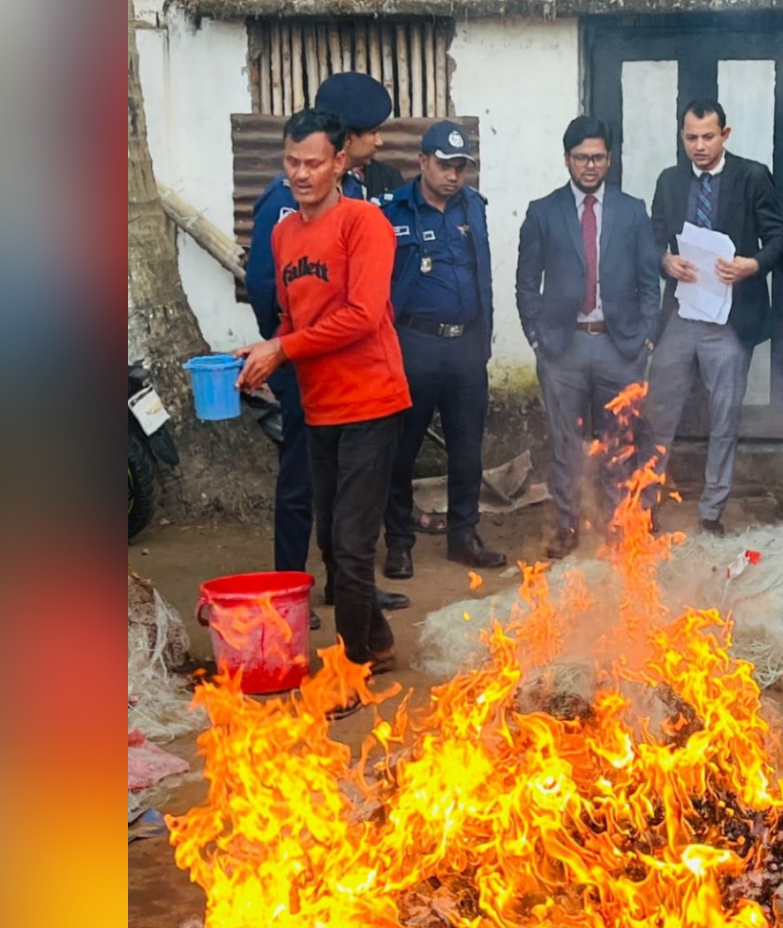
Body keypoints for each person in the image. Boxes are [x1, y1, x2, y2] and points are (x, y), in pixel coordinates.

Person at [235, 108, 411, 680]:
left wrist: (283, 349)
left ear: (339, 162)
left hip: (372, 400)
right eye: (291, 161)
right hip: (319, 404)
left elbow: (362, 315)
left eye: (313, 163)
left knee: (353, 544)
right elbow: (293, 317)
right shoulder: (284, 233)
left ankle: (350, 673)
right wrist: (265, 350)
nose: (300, 173)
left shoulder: (364, 223)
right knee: (332, 542)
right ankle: (377, 643)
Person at [516, 117, 661, 558]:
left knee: (621, 441)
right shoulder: (543, 212)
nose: (590, 165)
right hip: (563, 348)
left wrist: (644, 340)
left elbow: (649, 282)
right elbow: (526, 284)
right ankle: (566, 526)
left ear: (609, 159)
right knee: (566, 444)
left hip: (620, 347)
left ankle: (619, 528)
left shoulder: (632, 211)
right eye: (581, 157)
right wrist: (538, 340)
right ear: (567, 159)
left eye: (597, 157)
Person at [646, 100, 783, 535]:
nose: (700, 146)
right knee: (658, 411)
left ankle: (712, 511)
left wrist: (752, 264)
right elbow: (652, 239)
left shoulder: (752, 176)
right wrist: (665, 261)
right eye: (691, 137)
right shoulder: (670, 181)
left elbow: (778, 237)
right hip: (681, 312)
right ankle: (645, 503)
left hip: (730, 316)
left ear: (725, 134)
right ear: (682, 137)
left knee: (724, 417)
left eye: (708, 136)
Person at [376, 121, 506, 576]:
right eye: (445, 165)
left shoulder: (473, 207)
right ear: (423, 162)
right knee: (401, 449)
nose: (453, 175)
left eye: (460, 167)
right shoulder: (393, 211)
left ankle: (463, 536)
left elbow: (482, 273)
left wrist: (483, 340)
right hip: (415, 344)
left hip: (466, 344)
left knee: (467, 449)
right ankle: (398, 542)